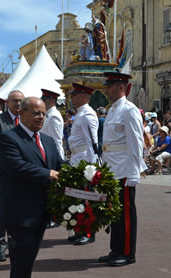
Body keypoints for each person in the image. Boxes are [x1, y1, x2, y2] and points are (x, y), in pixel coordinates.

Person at [0, 97, 62, 278]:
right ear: (21, 113)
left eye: (43, 113)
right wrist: (46, 174)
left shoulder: (48, 141)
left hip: (41, 210)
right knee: (25, 250)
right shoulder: (9, 138)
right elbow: (16, 167)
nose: (40, 117)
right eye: (35, 113)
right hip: (18, 208)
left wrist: (87, 174)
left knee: (26, 252)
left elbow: (60, 166)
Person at [100, 72, 145, 267]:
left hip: (124, 169)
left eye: (109, 86)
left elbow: (136, 142)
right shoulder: (112, 110)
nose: (106, 90)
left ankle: (127, 252)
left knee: (126, 213)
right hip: (112, 168)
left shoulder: (129, 110)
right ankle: (115, 249)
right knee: (114, 213)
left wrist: (135, 171)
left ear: (120, 87)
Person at [0, 90, 25, 262]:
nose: (18, 104)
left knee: (18, 212)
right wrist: (13, 163)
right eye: (15, 101)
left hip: (21, 176)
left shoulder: (26, 121)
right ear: (7, 103)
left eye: (21, 101)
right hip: (0, 174)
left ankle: (15, 245)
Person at [67, 82, 99, 245]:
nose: (71, 97)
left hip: (85, 162)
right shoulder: (80, 113)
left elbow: (92, 143)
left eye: (74, 95)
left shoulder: (87, 114)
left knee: (85, 199)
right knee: (76, 198)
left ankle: (87, 233)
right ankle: (79, 229)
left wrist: (91, 168)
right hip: (77, 159)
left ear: (84, 97)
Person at [40, 89, 65, 161]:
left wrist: (58, 159)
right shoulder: (48, 114)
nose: (42, 102)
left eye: (44, 100)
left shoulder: (53, 116)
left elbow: (56, 140)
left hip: (52, 155)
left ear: (52, 101)